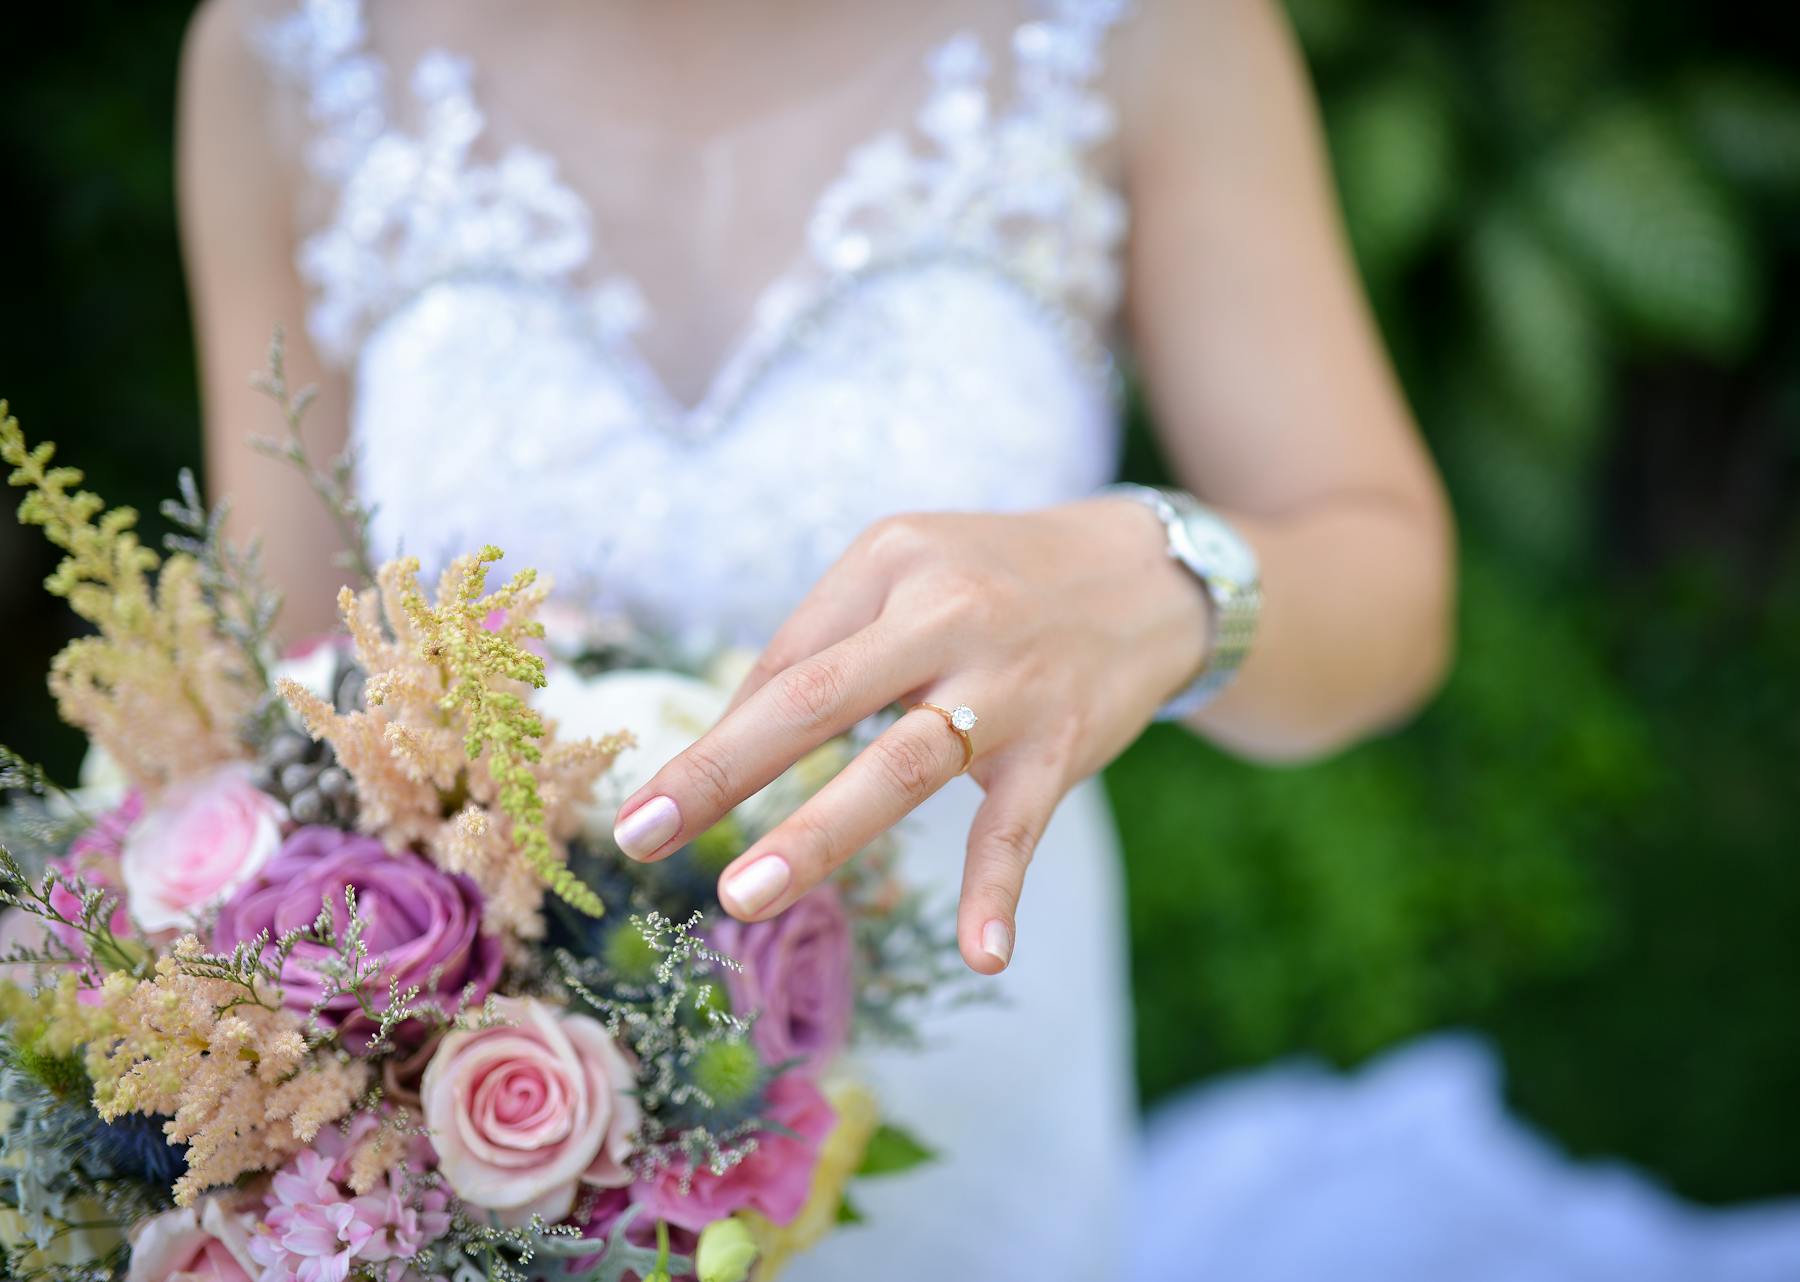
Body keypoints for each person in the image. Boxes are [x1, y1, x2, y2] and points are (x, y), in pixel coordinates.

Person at [180, 1, 1450, 1276]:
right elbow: (272, 701)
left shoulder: (1136, 29)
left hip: (971, 1091)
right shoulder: (295, 50)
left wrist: (1162, 580)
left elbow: (1392, 591)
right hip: (493, 1152)